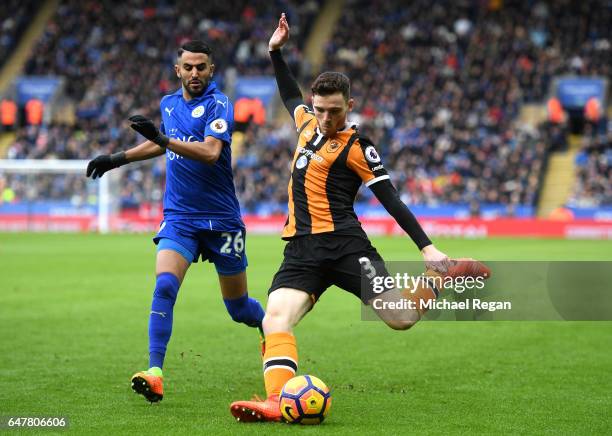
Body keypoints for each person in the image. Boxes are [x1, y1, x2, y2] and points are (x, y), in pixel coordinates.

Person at [229, 14, 489, 422]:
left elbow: (391, 199)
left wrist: (428, 248)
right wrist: (275, 52)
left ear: (349, 107)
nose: (326, 119)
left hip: (348, 248)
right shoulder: (304, 125)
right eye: (320, 111)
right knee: (274, 318)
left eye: (334, 112)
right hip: (302, 251)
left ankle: (443, 275)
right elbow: (288, 94)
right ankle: (278, 403)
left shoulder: (357, 147)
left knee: (400, 319)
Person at [86, 40, 265, 403]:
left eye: (202, 67)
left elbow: (211, 152)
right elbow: (163, 143)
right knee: (165, 285)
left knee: (238, 308)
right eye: (189, 67)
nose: (195, 73)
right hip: (180, 217)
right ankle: (155, 373)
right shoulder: (169, 104)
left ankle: (269, 327)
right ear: (177, 70)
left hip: (222, 221)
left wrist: (163, 138)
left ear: (211, 70)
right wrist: (117, 158)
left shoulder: (219, 104)